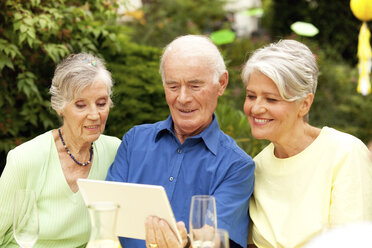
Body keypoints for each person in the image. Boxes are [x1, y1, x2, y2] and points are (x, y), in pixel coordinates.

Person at [106, 34, 255, 248]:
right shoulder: (134, 141)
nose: (183, 98)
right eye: (173, 86)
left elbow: (214, 245)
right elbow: (106, 217)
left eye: (195, 86)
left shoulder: (236, 166)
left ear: (221, 84)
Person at [242, 39, 372, 248]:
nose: (256, 108)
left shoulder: (345, 153)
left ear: (304, 104)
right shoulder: (256, 167)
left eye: (271, 99)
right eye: (251, 96)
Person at [0, 53, 121, 247]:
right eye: (81, 105)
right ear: (59, 106)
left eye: (101, 103)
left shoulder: (115, 151)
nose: (94, 115)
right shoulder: (24, 159)